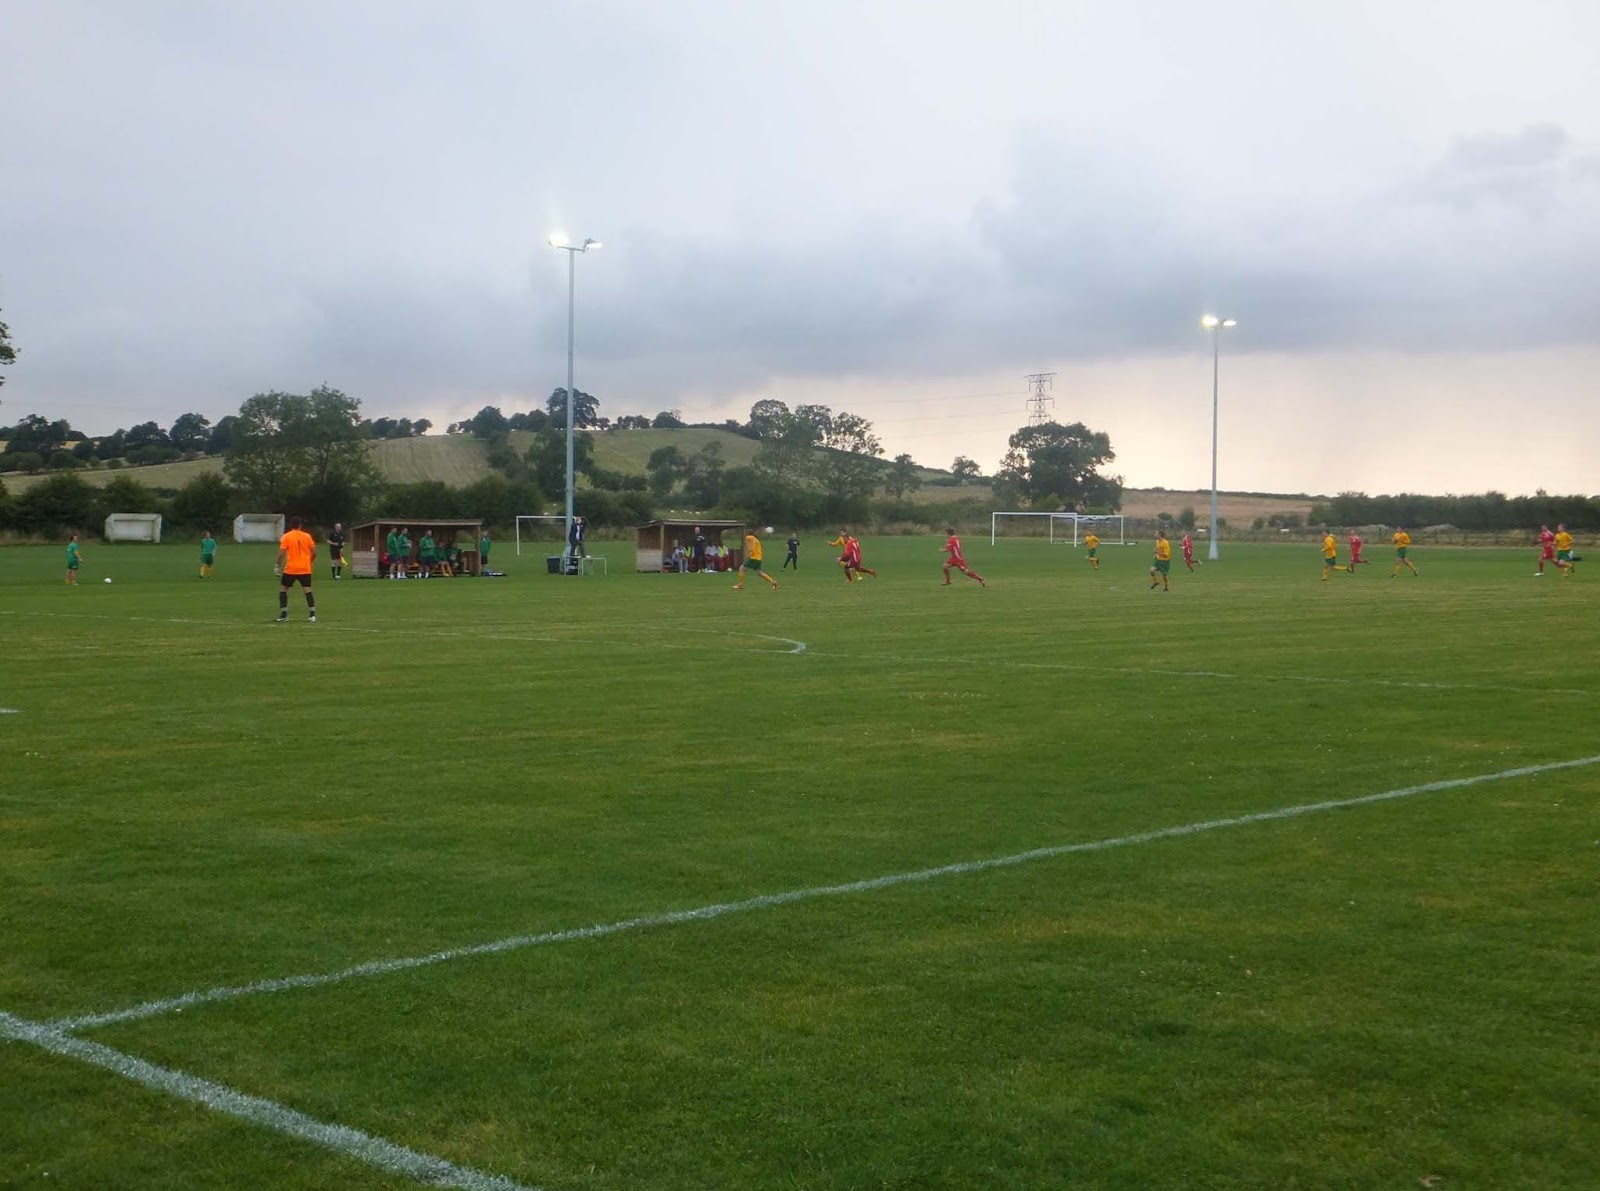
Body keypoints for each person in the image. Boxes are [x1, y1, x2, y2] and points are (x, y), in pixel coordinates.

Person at [275, 516, 317, 623]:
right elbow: (314, 552)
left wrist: (277, 566)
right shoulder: (307, 536)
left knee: (283, 589)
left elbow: (281, 554)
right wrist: (309, 561)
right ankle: (312, 614)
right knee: (307, 589)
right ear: (300, 525)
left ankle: (284, 614)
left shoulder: (286, 536)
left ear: (291, 525)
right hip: (305, 568)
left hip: (291, 568)